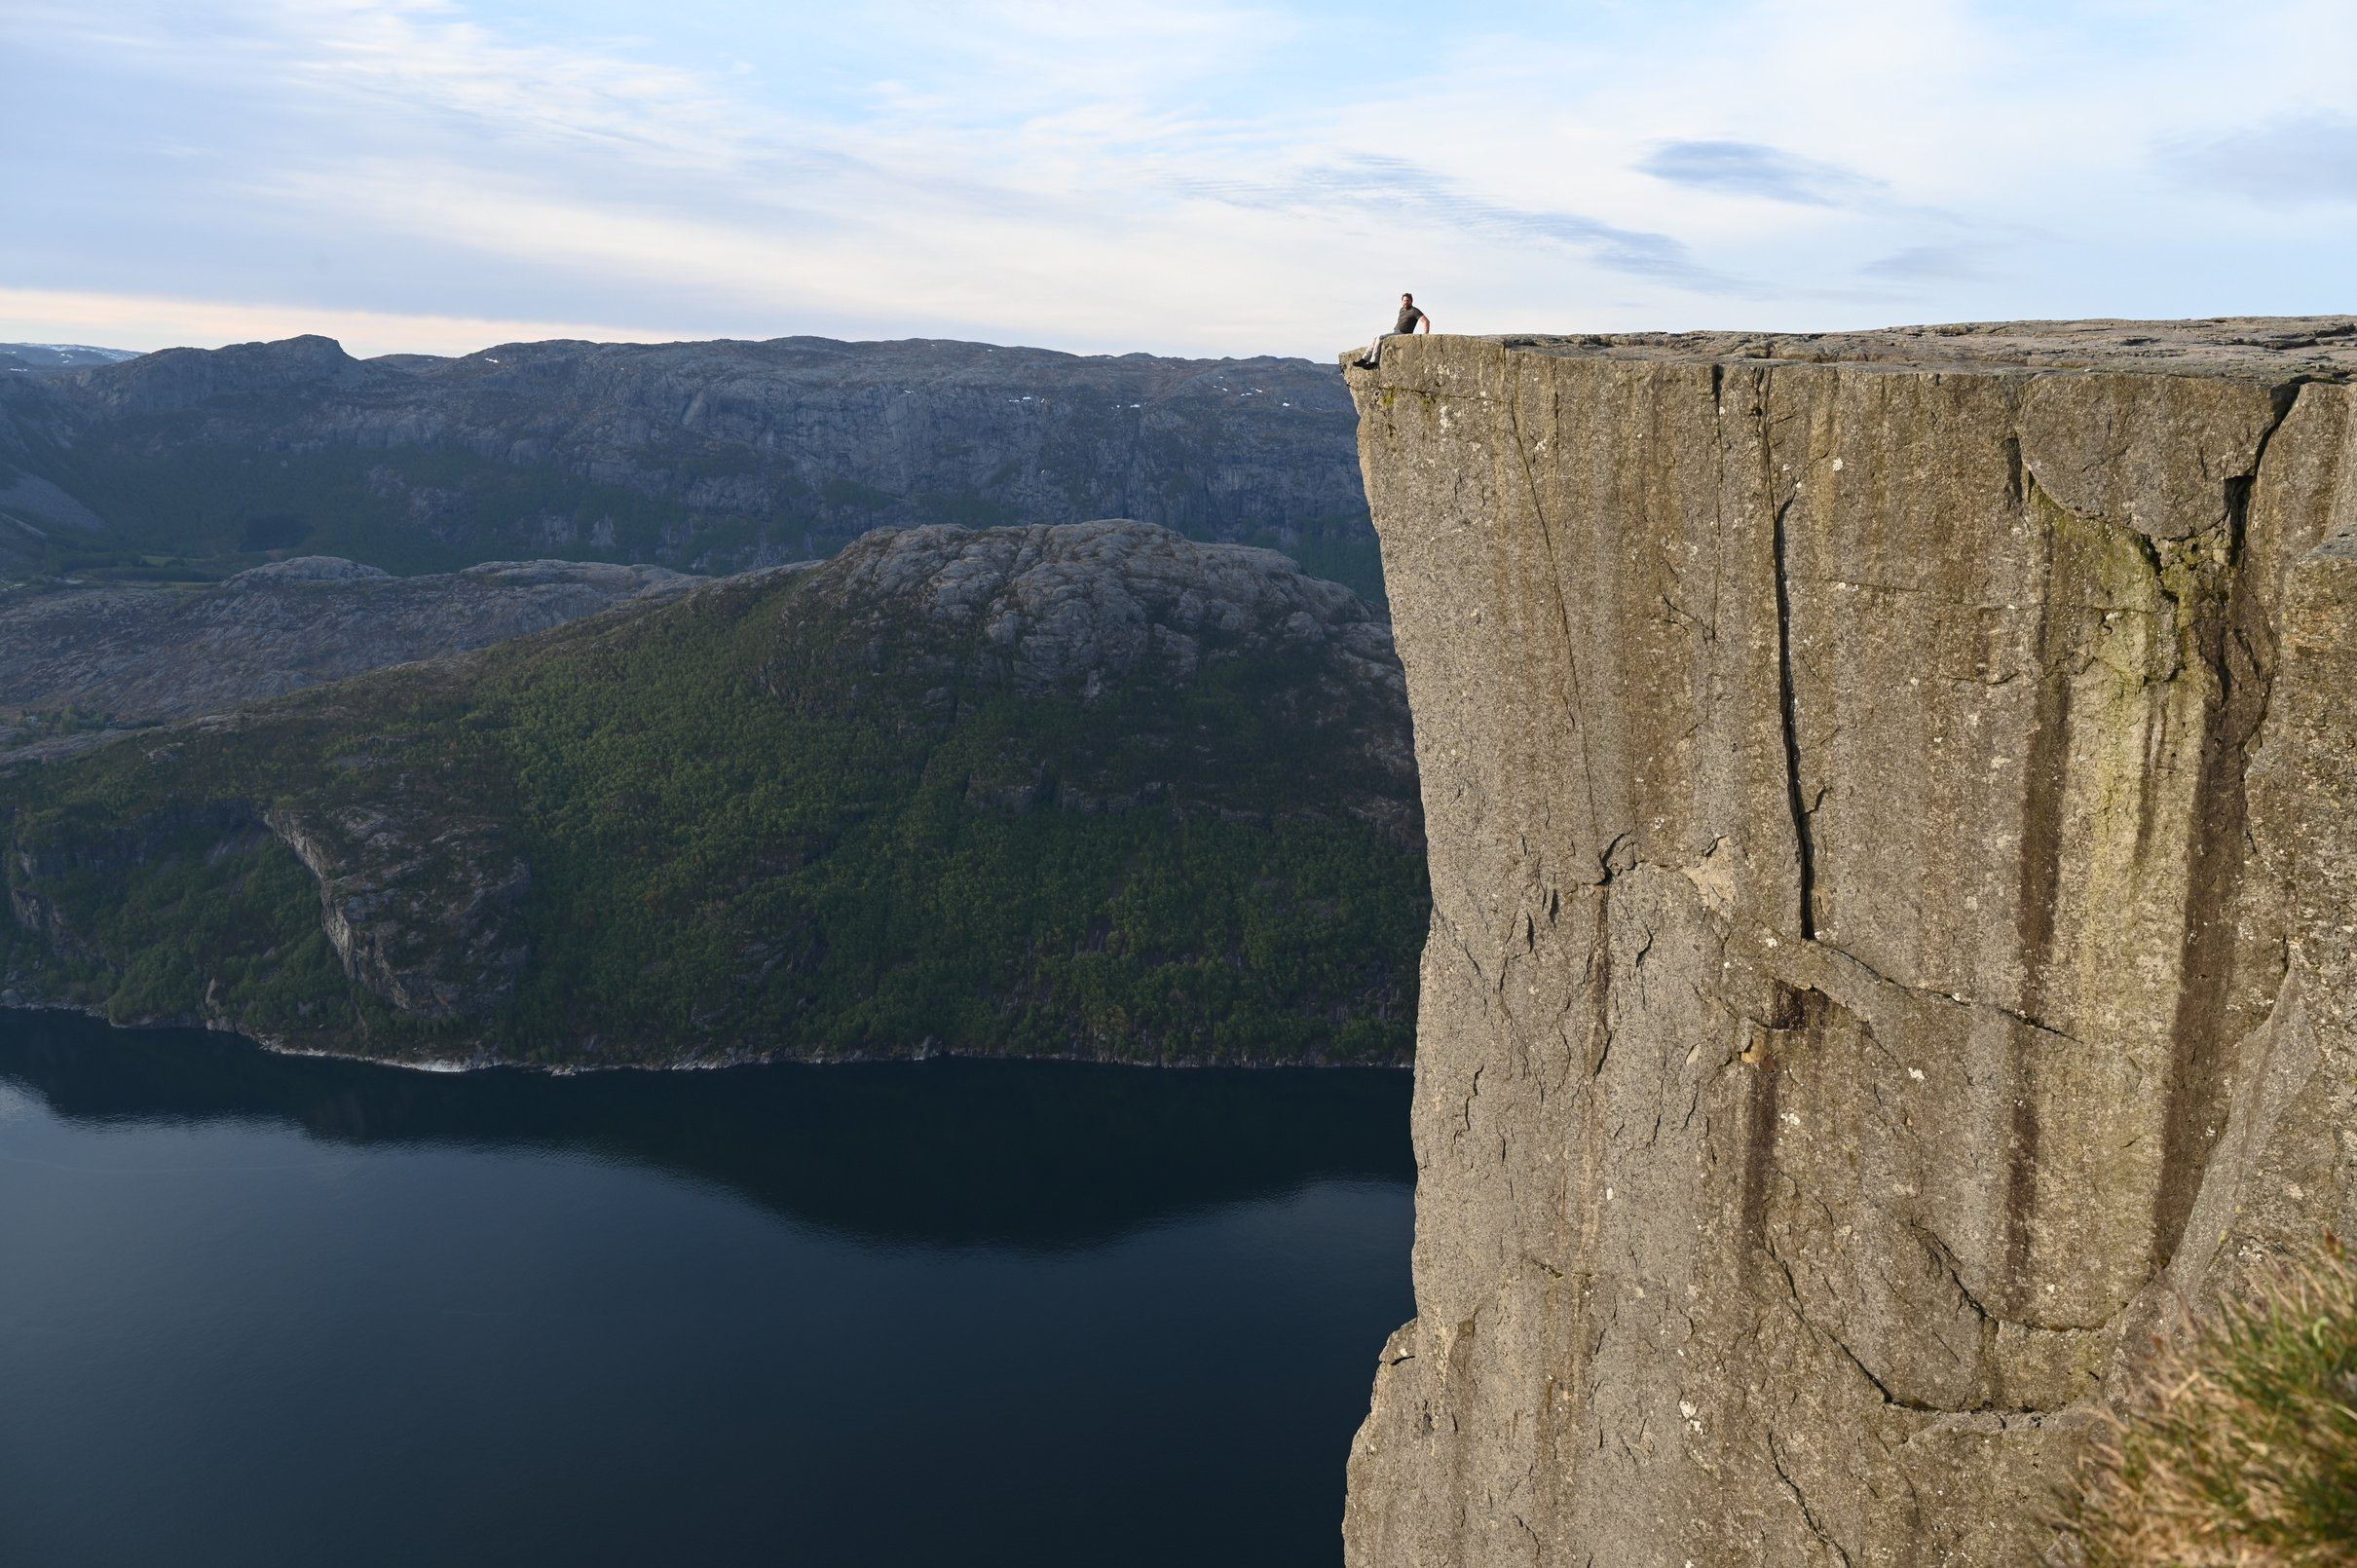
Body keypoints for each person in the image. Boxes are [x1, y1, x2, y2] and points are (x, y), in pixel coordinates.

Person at [1357, 293, 1432, 367]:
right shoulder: (1401, 310)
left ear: (1411, 301)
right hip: (1396, 331)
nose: (1406, 302)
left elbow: (1426, 321)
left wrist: (1425, 336)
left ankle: (1374, 362)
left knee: (1380, 337)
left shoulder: (1414, 311)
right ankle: (1364, 360)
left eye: (1408, 300)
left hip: (1403, 333)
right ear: (1402, 301)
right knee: (1375, 339)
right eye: (1404, 300)